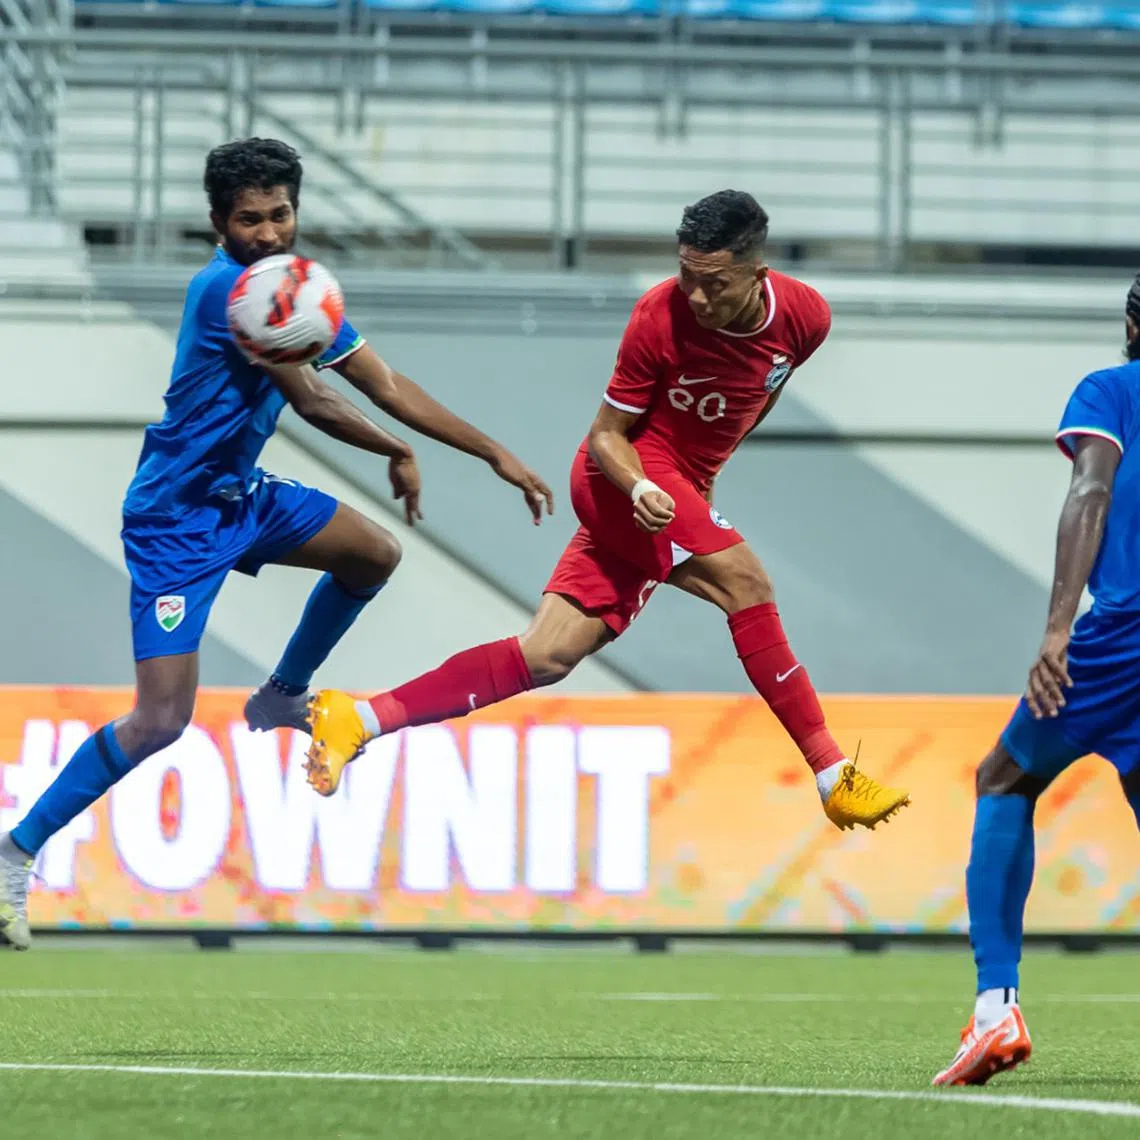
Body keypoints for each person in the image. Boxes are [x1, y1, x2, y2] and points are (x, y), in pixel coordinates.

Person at [0, 137, 551, 951]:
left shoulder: (295, 290)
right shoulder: (231, 292)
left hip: (242, 500)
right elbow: (319, 402)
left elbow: (385, 383)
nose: (267, 231)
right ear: (219, 223)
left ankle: (284, 694)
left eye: (280, 214)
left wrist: (491, 450)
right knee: (160, 721)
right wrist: (396, 451)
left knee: (374, 554)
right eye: (249, 219)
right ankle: (16, 850)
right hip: (176, 519)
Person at [304, 190, 910, 835]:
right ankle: (830, 773)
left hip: (679, 492)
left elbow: (753, 397)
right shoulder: (657, 316)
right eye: (687, 277)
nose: (698, 298)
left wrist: (697, 488)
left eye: (714, 285)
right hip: (621, 479)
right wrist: (648, 489)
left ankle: (358, 719)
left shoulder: (807, 319)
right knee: (747, 583)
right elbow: (606, 436)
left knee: (547, 655)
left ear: (757, 275)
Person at [932, 274, 1140, 1087]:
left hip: (1124, 636)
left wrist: (1058, 629)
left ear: (1131, 321)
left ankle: (995, 1009)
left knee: (1005, 777)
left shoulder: (1111, 389)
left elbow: (1091, 488)